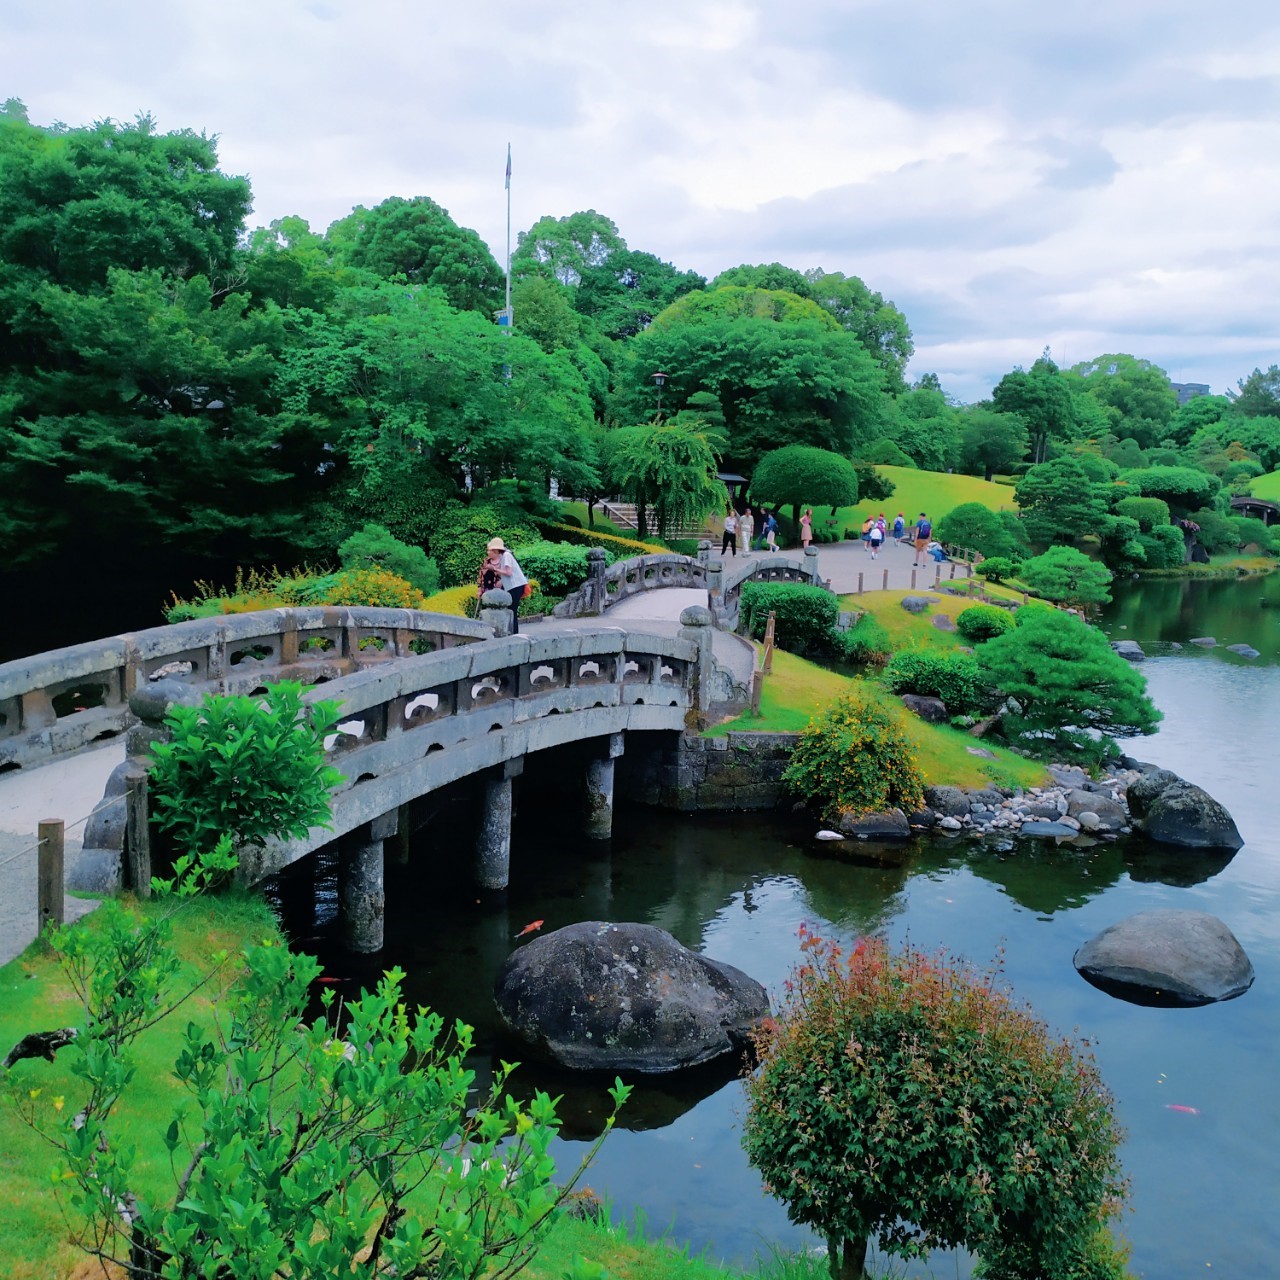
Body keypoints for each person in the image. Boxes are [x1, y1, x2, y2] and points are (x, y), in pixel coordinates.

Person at [485, 536, 528, 632]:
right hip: (512, 586)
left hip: (516, 586)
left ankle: (514, 633)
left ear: (495, 550)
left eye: (490, 550)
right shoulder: (503, 556)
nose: (488, 553)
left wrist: (494, 569)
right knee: (511, 609)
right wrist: (501, 582)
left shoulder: (506, 555)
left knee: (512, 610)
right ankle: (512, 632)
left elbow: (508, 572)